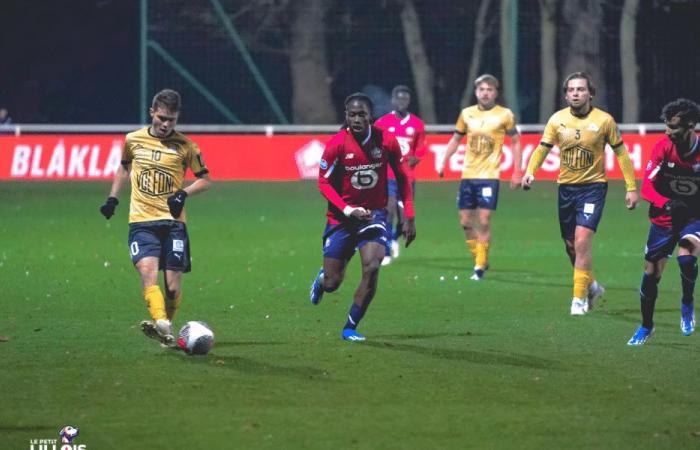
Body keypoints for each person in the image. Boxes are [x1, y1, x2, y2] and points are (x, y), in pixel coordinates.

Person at [99, 89, 212, 346]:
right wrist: (112, 199)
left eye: (171, 119)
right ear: (152, 112)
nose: (165, 124)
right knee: (147, 271)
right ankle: (161, 323)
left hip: (173, 224)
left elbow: (206, 181)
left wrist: (184, 193)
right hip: (141, 221)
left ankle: (166, 327)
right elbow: (125, 167)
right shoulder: (133, 140)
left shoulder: (187, 146)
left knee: (172, 287)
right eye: (161, 117)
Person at [522, 72, 639, 315]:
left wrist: (631, 187)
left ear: (590, 94)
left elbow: (622, 154)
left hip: (593, 188)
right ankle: (593, 285)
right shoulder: (557, 120)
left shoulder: (604, 121)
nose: (576, 93)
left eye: (581, 89)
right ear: (566, 95)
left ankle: (578, 300)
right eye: (571, 90)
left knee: (582, 240)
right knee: (570, 245)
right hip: (566, 189)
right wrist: (530, 171)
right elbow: (542, 148)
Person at [309, 92, 416, 342]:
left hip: (373, 216)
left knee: (373, 265)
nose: (356, 119)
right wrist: (347, 209)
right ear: (346, 117)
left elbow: (403, 177)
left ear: (371, 117)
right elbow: (323, 183)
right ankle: (323, 279)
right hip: (341, 220)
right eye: (352, 114)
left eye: (362, 114)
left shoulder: (386, 140)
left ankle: (350, 326)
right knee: (333, 282)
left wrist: (408, 215)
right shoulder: (336, 144)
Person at [628, 98, 700, 345]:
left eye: (674, 127)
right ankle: (646, 327)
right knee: (651, 275)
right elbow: (647, 186)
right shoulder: (662, 147)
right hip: (664, 217)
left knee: (687, 256)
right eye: (667, 126)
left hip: (693, 217)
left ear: (691, 126)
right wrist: (666, 203)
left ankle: (687, 302)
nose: (668, 131)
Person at [438, 74, 523, 280]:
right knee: (465, 222)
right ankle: (481, 257)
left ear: (495, 93)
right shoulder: (466, 114)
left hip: (489, 176)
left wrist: (517, 171)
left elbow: (516, 142)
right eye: (482, 89)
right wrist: (443, 160)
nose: (485, 93)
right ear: (476, 92)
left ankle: (478, 267)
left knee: (484, 220)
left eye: (490, 90)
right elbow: (456, 139)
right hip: (468, 175)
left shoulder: (504, 115)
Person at [375, 85, 426, 265]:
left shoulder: (417, 124)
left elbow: (421, 148)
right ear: (393, 100)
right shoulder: (382, 123)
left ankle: (395, 237)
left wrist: (415, 158)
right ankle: (387, 250)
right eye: (398, 98)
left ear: (408, 101)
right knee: (388, 210)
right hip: (388, 175)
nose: (401, 102)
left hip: (407, 177)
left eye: (405, 99)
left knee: (404, 217)